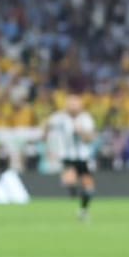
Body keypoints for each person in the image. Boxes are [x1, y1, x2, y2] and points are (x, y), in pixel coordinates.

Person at [43, 93, 97, 221]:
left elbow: (90, 139)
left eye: (75, 104)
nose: (73, 106)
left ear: (80, 105)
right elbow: (47, 125)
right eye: (70, 104)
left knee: (89, 188)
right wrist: (46, 139)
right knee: (70, 180)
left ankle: (83, 211)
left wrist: (81, 132)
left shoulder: (86, 118)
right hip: (67, 156)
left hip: (83, 158)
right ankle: (71, 188)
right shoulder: (59, 117)